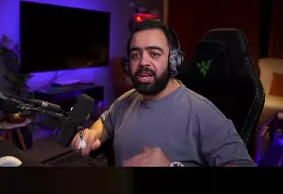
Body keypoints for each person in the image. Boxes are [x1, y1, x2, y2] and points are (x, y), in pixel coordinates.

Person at [76, 19, 256, 166]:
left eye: (154, 54)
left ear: (173, 61)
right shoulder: (125, 101)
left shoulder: (203, 113)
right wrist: (88, 136)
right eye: (136, 55)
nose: (143, 62)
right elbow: (103, 124)